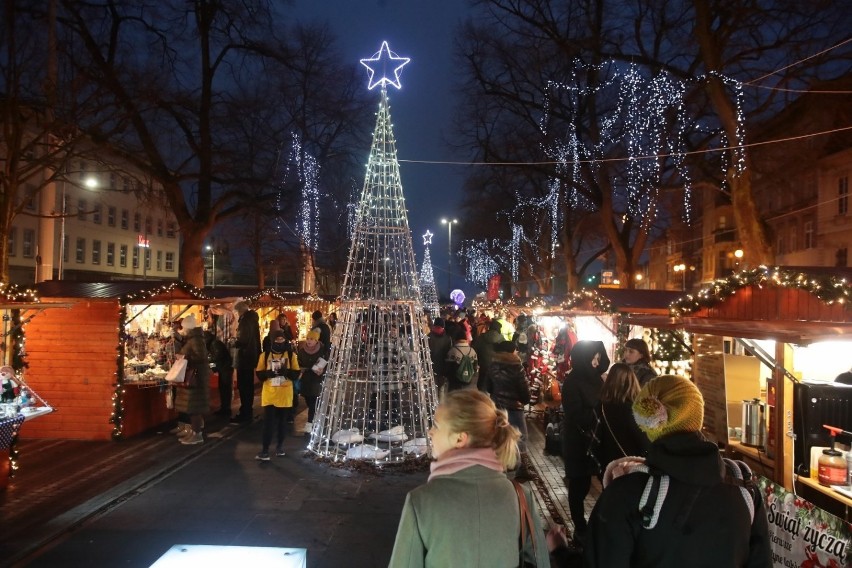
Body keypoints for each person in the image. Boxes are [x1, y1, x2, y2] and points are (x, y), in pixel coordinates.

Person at [584, 375, 772, 567]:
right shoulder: (744, 486)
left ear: (646, 422)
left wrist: (559, 551)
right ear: (697, 415)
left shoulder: (626, 492)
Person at [388, 390, 551, 568]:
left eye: (436, 425)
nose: (430, 432)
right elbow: (539, 561)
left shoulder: (421, 501)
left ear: (460, 438)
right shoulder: (520, 497)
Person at [560, 340, 610, 544]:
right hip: (579, 441)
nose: (597, 361)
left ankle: (600, 525)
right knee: (580, 485)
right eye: (593, 357)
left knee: (605, 482)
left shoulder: (598, 379)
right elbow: (575, 413)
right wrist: (599, 412)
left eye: (599, 357)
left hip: (599, 440)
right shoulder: (573, 381)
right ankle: (580, 527)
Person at [488, 340, 533, 481]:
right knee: (520, 436)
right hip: (514, 408)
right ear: (512, 351)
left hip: (498, 407)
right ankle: (521, 468)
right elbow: (524, 390)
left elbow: (487, 386)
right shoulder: (516, 366)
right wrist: (525, 400)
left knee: (500, 435)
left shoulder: (492, 366)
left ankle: (499, 466)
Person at [591, 363, 649, 470]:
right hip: (634, 468)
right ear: (632, 382)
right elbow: (645, 441)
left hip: (609, 467)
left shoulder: (601, 406)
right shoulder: (637, 410)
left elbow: (595, 439)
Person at [255, 330, 297, 461]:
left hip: (285, 394)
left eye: (282, 339)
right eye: (277, 339)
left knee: (282, 423)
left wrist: (287, 372)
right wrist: (268, 374)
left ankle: (279, 447)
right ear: (272, 340)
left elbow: (296, 374)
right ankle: (265, 450)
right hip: (270, 394)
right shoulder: (265, 355)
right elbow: (259, 373)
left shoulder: (291, 355)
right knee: (268, 423)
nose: (280, 342)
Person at [174, 315, 211, 445]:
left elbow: (200, 357)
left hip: (196, 379)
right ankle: (195, 432)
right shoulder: (194, 338)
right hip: (197, 377)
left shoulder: (195, 339)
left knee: (194, 408)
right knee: (193, 408)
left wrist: (184, 356)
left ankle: (197, 434)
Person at [231, 301, 261, 424]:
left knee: (244, 386)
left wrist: (234, 342)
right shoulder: (252, 320)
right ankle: (247, 410)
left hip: (244, 358)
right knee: (248, 386)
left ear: (240, 311)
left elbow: (243, 340)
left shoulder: (245, 321)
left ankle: (245, 412)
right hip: (251, 357)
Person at [297, 329, 326, 434]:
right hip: (305, 379)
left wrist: (322, 370)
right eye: (308, 339)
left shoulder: (322, 350)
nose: (309, 341)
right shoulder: (301, 351)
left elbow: (326, 363)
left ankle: (309, 424)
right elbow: (298, 362)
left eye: (312, 339)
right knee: (308, 401)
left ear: (316, 340)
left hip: (316, 379)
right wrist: (300, 368)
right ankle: (315, 419)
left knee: (313, 402)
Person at [204, 313, 233, 418]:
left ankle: (226, 409)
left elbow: (216, 357)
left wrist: (212, 367)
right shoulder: (213, 343)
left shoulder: (214, 344)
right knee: (223, 388)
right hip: (224, 368)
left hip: (225, 368)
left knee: (225, 388)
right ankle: (224, 408)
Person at [444, 324, 479, 391]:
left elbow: (448, 367)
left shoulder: (453, 351)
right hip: (468, 381)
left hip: (455, 382)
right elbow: (475, 366)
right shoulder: (472, 350)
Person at [471, 319, 503, 393]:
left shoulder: (482, 337)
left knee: (482, 384)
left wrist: (478, 361)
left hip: (484, 363)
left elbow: (475, 349)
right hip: (497, 364)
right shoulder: (501, 338)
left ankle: (483, 400)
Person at [427, 317, 452, 392]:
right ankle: (441, 403)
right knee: (441, 389)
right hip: (443, 367)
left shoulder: (428, 337)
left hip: (431, 367)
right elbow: (449, 353)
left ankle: (435, 403)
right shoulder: (448, 338)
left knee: (432, 390)